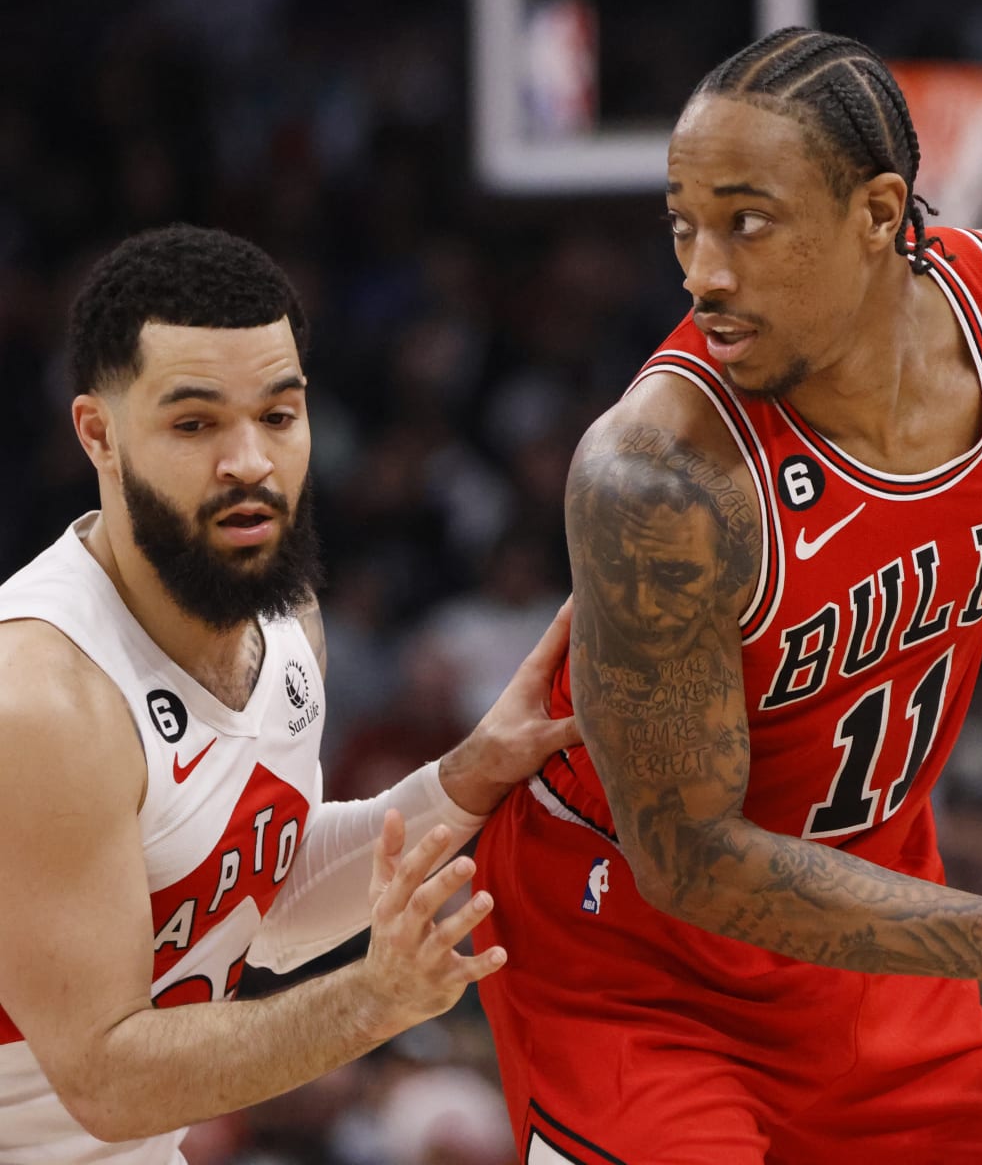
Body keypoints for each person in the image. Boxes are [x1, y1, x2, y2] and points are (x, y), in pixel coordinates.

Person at [473, 28, 982, 1164]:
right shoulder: (660, 478)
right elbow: (691, 858)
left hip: (866, 919)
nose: (703, 273)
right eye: (684, 227)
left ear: (878, 212)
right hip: (633, 952)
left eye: (746, 224)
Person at [0, 225, 578, 1164]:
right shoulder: (43, 699)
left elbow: (259, 901)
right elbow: (106, 1078)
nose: (250, 463)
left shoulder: (282, 622)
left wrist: (470, 775)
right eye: (195, 424)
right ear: (98, 435)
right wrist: (372, 999)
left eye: (278, 415)